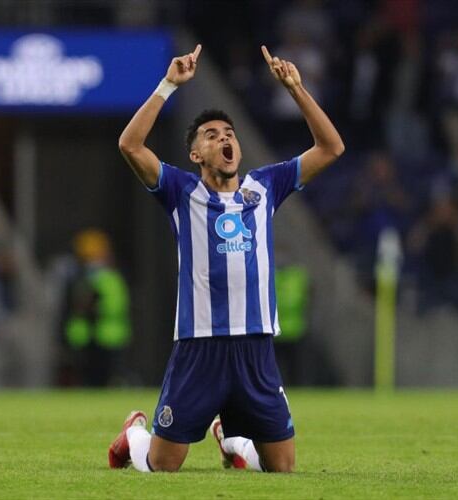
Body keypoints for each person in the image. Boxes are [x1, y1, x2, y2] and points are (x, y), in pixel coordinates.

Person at [108, 43, 344, 473]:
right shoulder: (181, 192)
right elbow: (130, 144)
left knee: (282, 468)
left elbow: (330, 148)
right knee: (163, 466)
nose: (224, 139)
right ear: (196, 155)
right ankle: (135, 433)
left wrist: (296, 89)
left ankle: (231, 439)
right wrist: (167, 85)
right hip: (200, 348)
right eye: (212, 135)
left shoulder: (264, 188)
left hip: (255, 347)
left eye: (229, 133)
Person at [58, 229, 131, 387]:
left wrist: (93, 309)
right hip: (87, 337)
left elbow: (113, 307)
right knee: (87, 379)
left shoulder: (106, 279)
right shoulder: (81, 279)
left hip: (104, 337)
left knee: (103, 378)